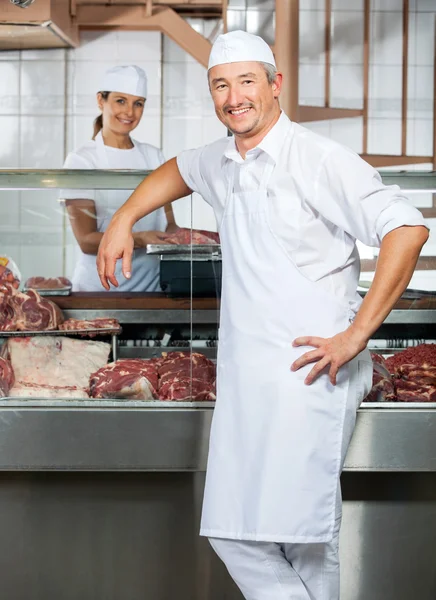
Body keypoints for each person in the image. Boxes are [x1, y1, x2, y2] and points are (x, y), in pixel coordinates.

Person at [96, 32, 429, 599]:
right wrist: (125, 216)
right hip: (248, 376)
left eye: (247, 81)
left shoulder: (319, 159)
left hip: (310, 373)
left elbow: (407, 228)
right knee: (284, 539)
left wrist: (355, 336)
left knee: (265, 534)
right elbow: (177, 168)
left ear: (276, 85)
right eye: (220, 85)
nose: (233, 96)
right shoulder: (223, 158)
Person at [62, 65, 178, 292]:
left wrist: (192, 239)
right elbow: (86, 241)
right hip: (100, 291)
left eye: (138, 103)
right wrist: (141, 238)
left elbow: (169, 224)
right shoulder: (82, 160)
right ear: (100, 100)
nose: (130, 112)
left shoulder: (154, 156)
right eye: (120, 101)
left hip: (152, 290)